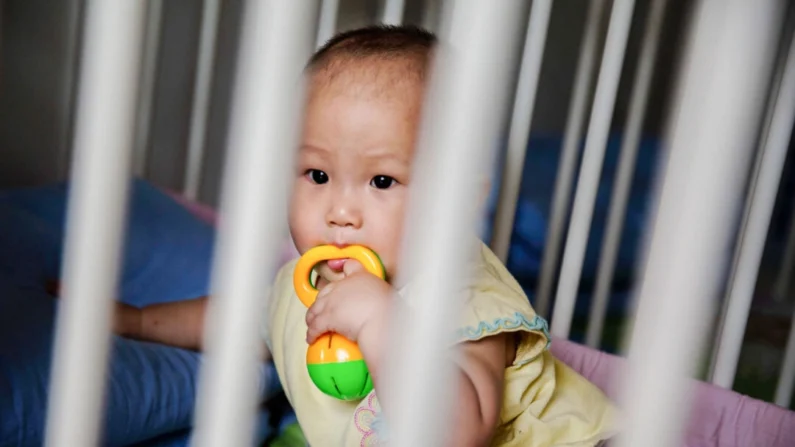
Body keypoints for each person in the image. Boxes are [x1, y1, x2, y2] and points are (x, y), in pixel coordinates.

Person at [55, 25, 618, 446]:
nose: (341, 211)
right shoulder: (307, 279)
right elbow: (242, 321)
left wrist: (381, 321)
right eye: (317, 175)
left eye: (381, 180)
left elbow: (457, 431)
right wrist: (133, 319)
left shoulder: (465, 294)